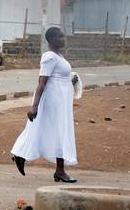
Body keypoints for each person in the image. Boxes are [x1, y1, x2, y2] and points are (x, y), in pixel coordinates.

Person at [10, 27, 79, 183]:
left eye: (63, 36)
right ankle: (58, 170)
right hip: (53, 101)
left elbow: (59, 78)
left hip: (60, 101)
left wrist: (71, 80)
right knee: (54, 130)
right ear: (51, 39)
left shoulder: (59, 56)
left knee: (54, 131)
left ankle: (58, 170)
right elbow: (42, 82)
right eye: (60, 37)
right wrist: (34, 106)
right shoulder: (49, 57)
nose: (63, 39)